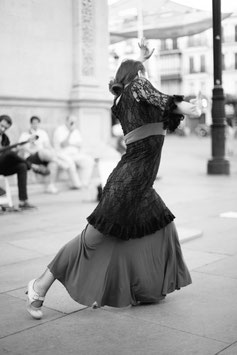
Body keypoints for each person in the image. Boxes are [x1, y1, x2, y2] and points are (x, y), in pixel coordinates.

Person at [25, 40, 201, 320]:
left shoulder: (126, 96)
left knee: (162, 227)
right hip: (128, 183)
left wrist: (141, 59)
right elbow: (162, 99)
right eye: (142, 73)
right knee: (92, 239)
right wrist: (188, 107)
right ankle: (39, 285)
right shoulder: (138, 88)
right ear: (135, 77)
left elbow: (147, 91)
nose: (146, 78)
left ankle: (145, 289)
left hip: (138, 182)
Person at [0, 115, 46, 210]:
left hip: (2, 166)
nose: (3, 129)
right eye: (1, 126)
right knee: (11, 154)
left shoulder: (5, 138)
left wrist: (17, 150)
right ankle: (32, 166)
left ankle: (23, 201)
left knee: (21, 166)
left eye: (5, 128)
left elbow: (8, 155)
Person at [19, 116, 67, 194]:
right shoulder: (25, 134)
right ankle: (60, 162)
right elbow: (21, 147)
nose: (35, 124)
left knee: (53, 163)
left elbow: (47, 145)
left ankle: (50, 186)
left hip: (44, 156)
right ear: (31, 123)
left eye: (37, 123)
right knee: (42, 152)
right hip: (31, 157)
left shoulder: (42, 133)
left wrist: (53, 152)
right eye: (34, 123)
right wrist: (31, 150)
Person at [53, 115, 94, 189]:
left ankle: (84, 183)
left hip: (75, 153)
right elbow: (63, 144)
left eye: (74, 122)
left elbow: (80, 144)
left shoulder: (76, 131)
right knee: (70, 162)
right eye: (71, 121)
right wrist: (70, 133)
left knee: (89, 160)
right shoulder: (59, 130)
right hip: (62, 154)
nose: (73, 123)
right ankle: (77, 185)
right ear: (67, 121)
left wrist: (72, 143)